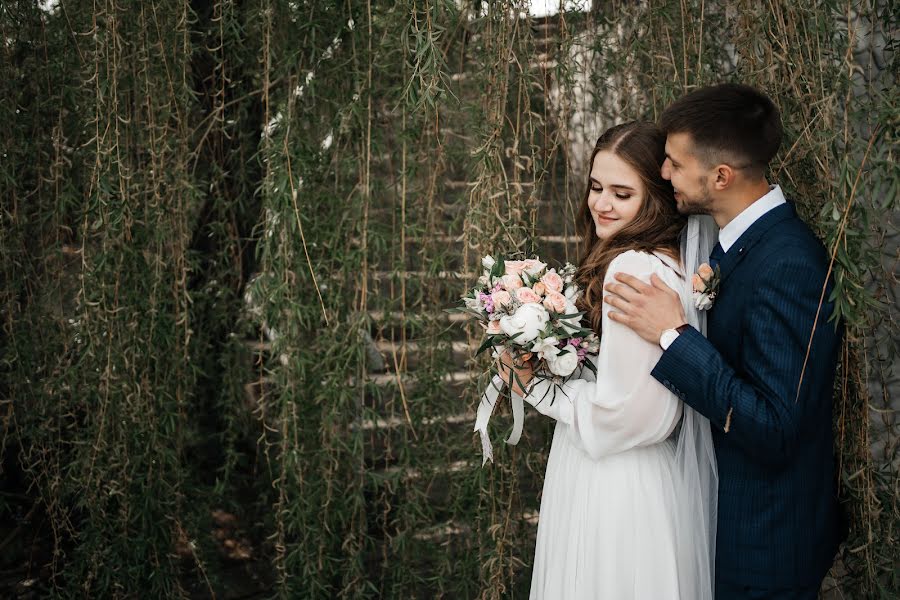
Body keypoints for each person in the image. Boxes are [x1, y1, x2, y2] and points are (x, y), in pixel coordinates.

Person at [603, 84, 843, 599]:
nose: (663, 175)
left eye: (673, 163)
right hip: (722, 526)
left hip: (765, 545)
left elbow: (775, 427)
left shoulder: (788, 264)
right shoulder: (733, 246)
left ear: (720, 176)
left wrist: (674, 336)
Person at [498, 120, 718, 600]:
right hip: (641, 476)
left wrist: (535, 387)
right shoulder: (668, 263)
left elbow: (630, 414)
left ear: (654, 199)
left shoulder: (632, 267)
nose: (601, 203)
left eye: (622, 193)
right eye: (596, 187)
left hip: (615, 481)